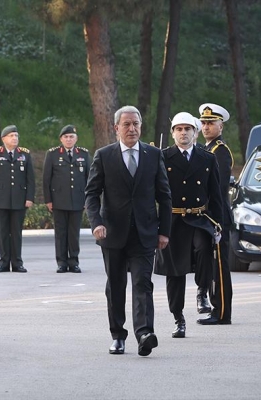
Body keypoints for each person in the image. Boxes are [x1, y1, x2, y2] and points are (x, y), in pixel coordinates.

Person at [85, 105, 171, 356]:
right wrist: (96, 222)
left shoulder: (153, 155)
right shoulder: (104, 155)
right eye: (127, 124)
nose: (132, 129)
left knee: (143, 283)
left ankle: (144, 333)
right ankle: (117, 335)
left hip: (145, 234)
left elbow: (165, 196)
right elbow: (91, 194)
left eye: (136, 124)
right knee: (116, 285)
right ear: (116, 128)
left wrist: (164, 231)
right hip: (112, 233)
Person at [156, 112, 224, 338]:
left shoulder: (207, 159)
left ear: (195, 133)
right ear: (173, 132)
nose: (183, 133)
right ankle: (178, 318)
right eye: (179, 129)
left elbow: (215, 195)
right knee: (174, 274)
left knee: (204, 246)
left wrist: (218, 224)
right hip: (173, 220)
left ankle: (202, 291)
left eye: (187, 129)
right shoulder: (163, 157)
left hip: (199, 218)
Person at [197, 103, 234, 325]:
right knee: (212, 266)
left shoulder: (220, 150)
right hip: (209, 217)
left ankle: (222, 313)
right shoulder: (206, 148)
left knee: (220, 268)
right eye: (203, 123)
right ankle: (215, 307)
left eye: (211, 123)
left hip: (217, 217)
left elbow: (217, 188)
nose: (206, 127)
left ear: (221, 126)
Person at [0, 125, 35, 273]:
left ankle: (17, 262)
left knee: (16, 232)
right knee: (3, 232)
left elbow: (30, 179)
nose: (15, 138)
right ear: (4, 138)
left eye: (16, 136)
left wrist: (29, 197)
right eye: (11, 136)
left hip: (19, 199)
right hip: (0, 199)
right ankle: (3, 262)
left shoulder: (25, 154)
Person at [43, 125, 89, 273]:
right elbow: (46, 180)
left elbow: (90, 178)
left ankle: (74, 261)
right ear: (61, 139)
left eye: (71, 137)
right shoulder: (52, 154)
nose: (69, 139)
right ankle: (61, 262)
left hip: (78, 200)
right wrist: (48, 200)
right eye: (66, 137)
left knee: (74, 233)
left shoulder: (83, 154)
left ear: (76, 139)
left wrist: (88, 199)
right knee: (61, 233)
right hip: (59, 200)